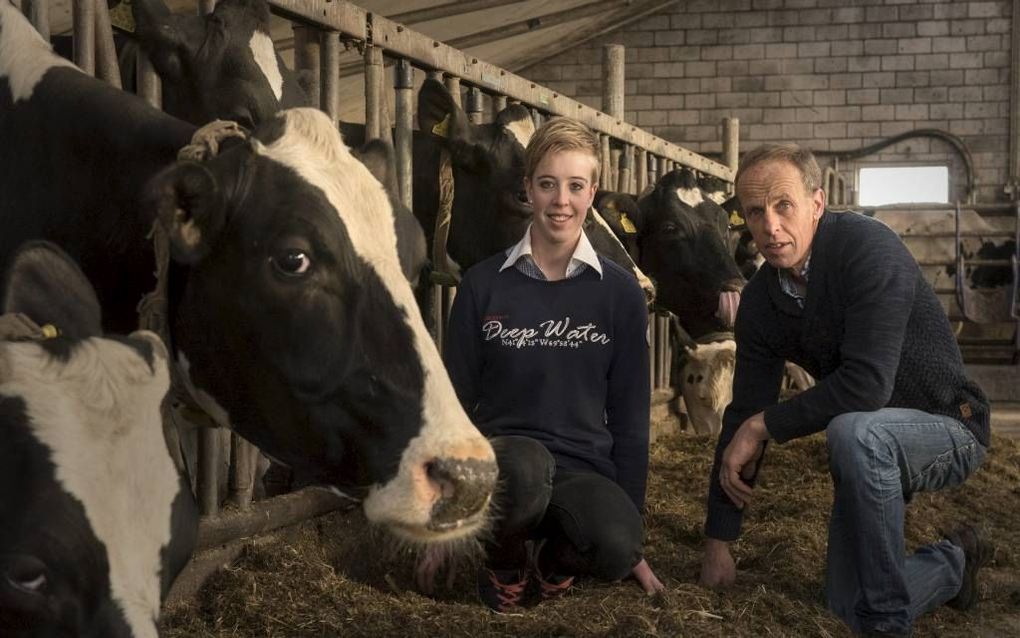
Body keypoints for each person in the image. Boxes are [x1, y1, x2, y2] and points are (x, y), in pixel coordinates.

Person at [699, 143, 993, 637]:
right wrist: (718, 543)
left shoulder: (867, 248)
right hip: (869, 451)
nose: (769, 226)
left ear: (817, 203)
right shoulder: (761, 303)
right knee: (841, 607)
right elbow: (744, 413)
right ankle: (954, 563)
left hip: (949, 423)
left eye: (783, 205)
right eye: (755, 211)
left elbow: (866, 386)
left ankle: (886, 626)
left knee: (853, 430)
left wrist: (764, 425)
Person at [443, 116, 664, 612]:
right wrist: (441, 517)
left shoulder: (620, 292)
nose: (561, 201)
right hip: (503, 469)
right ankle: (503, 564)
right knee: (523, 468)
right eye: (547, 184)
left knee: (614, 542)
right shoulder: (482, 284)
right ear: (527, 189)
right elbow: (453, 401)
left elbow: (630, 417)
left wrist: (633, 535)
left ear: (592, 192)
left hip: (583, 472)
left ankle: (552, 565)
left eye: (575, 186)